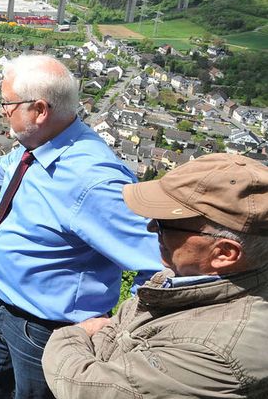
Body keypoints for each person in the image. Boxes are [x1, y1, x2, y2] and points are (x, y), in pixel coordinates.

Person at [0, 54, 162, 399]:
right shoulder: (39, 145)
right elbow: (5, 167)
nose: (1, 111)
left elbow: (160, 263)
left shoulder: (93, 180)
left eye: (7, 104)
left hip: (49, 331)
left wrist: (119, 329)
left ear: (39, 110)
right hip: (1, 307)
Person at [42, 154, 268, 398]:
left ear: (224, 253)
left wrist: (72, 334)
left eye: (167, 223)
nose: (151, 227)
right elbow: (120, 325)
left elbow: (84, 387)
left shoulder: (216, 349)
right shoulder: (187, 276)